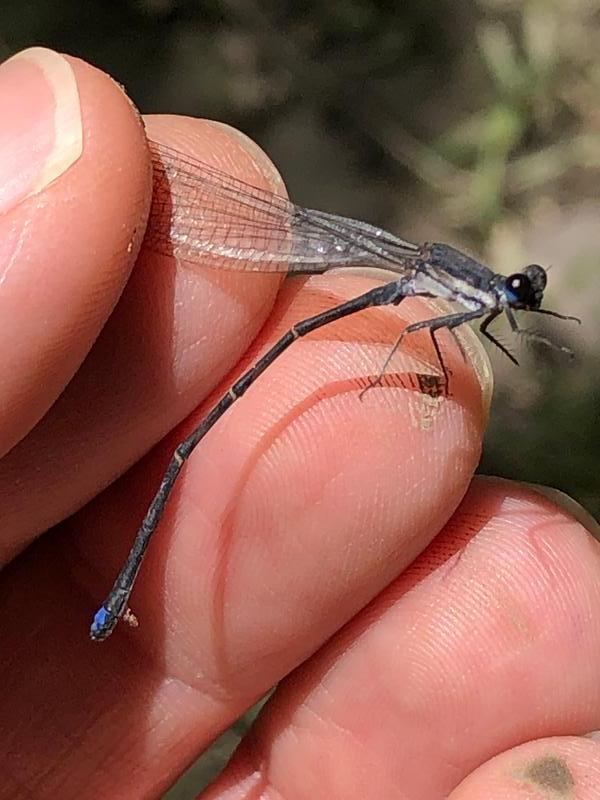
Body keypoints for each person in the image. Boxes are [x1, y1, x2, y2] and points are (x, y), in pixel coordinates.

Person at [1, 47, 599, 799]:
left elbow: (442, 327)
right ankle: (122, 592)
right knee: (195, 445)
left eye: (515, 295)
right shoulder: (460, 292)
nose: (512, 300)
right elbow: (424, 332)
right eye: (513, 294)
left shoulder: (480, 299)